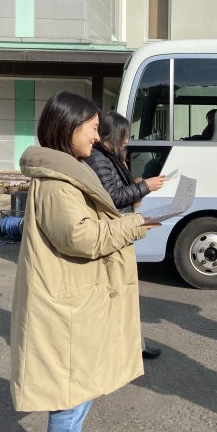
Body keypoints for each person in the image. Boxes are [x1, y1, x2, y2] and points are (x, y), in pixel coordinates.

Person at [10, 91, 154, 432]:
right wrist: (134, 225)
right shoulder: (59, 183)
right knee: (69, 393)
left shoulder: (68, 172)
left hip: (76, 297)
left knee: (82, 385)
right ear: (67, 127)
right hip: (65, 303)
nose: (97, 135)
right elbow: (82, 237)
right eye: (91, 128)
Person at [85, 110, 165, 359]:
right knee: (118, 294)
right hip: (115, 232)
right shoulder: (99, 159)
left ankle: (133, 346)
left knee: (126, 293)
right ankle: (127, 349)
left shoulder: (109, 157)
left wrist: (139, 187)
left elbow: (117, 190)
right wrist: (144, 187)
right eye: (124, 135)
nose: (127, 140)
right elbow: (111, 198)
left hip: (121, 230)